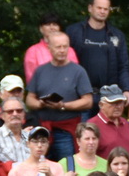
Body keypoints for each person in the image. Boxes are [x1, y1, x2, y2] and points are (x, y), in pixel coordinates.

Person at [26, 32, 94, 160]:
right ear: (49, 48)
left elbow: (88, 101)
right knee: (40, 167)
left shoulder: (78, 71)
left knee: (67, 167)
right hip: (42, 130)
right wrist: (41, 103)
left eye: (65, 46)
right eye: (58, 47)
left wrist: (63, 106)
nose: (62, 50)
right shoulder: (40, 71)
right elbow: (29, 99)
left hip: (67, 130)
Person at [64, 0, 129, 97]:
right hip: (79, 95)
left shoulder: (117, 35)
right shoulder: (73, 32)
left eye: (106, 9)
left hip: (109, 96)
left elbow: (123, 66)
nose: (102, 11)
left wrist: (127, 89)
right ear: (90, 8)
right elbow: (64, 63)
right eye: (99, 8)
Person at [87, 86, 129, 159]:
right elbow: (86, 157)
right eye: (113, 103)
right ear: (101, 105)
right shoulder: (92, 125)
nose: (118, 107)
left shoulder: (125, 123)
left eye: (120, 103)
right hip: (105, 170)